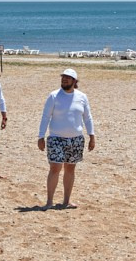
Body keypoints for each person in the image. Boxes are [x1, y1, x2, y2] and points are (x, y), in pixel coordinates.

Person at [36, 68, 96, 209]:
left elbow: (88, 118)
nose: (64, 79)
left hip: (76, 139)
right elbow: (45, 117)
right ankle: (49, 201)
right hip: (56, 138)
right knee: (55, 168)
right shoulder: (53, 96)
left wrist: (92, 136)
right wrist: (40, 136)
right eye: (63, 77)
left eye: (68, 78)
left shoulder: (82, 97)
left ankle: (66, 201)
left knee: (70, 169)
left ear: (74, 81)